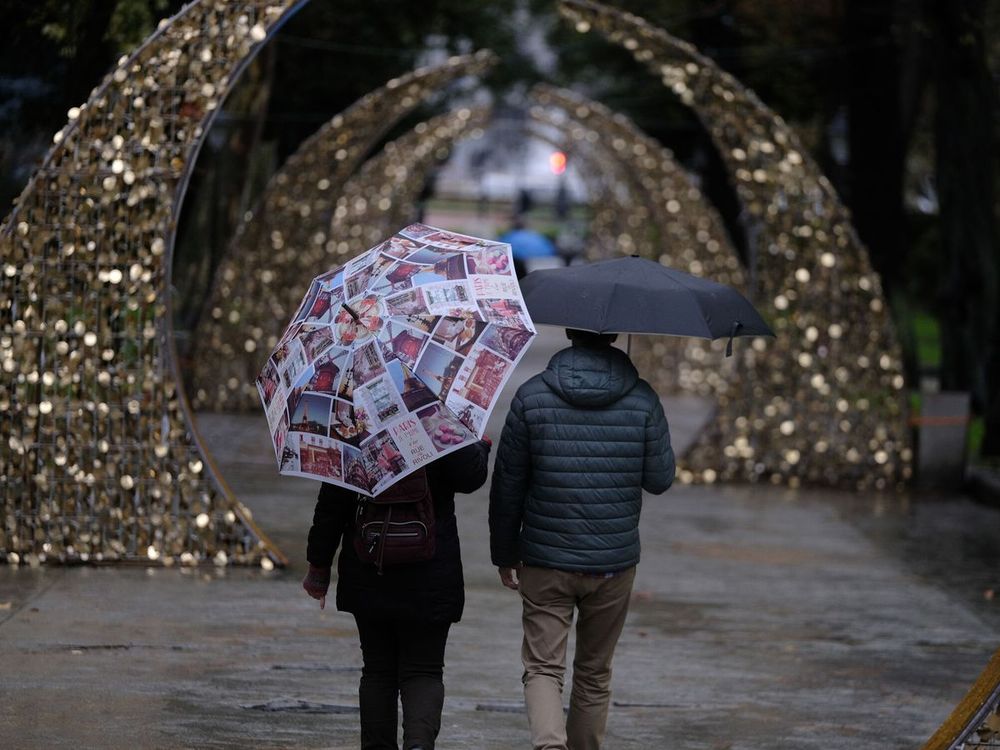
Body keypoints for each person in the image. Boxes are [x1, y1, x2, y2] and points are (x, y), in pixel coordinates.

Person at [489, 329, 675, 750]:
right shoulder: (643, 398)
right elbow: (660, 480)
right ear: (614, 335)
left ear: (570, 334)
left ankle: (550, 745)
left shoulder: (531, 396)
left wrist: (504, 552)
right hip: (613, 562)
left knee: (542, 667)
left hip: (543, 559)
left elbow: (508, 484)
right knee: (594, 673)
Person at [302, 439, 491, 750]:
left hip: (369, 566)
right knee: (424, 669)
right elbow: (471, 476)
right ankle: (418, 744)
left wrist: (318, 568)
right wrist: (478, 444)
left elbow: (332, 501)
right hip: (431, 570)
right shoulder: (436, 417)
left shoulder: (352, 426)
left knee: (378, 670)